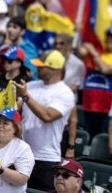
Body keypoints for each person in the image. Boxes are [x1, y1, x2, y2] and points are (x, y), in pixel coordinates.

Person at [15, 50, 75, 191]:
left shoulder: (65, 93)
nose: (38, 68)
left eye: (42, 66)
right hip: (21, 153)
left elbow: (47, 116)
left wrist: (26, 97)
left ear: (55, 69)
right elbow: (15, 110)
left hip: (45, 159)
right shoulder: (31, 85)